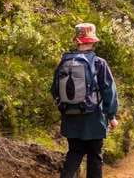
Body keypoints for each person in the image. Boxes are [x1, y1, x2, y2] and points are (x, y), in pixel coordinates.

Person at [52, 23, 118, 178]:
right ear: (93, 41)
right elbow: (109, 91)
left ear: (77, 40)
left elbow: (54, 90)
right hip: (94, 119)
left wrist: (66, 108)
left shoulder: (64, 61)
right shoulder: (99, 63)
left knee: (74, 153)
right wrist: (112, 116)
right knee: (94, 156)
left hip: (70, 118)